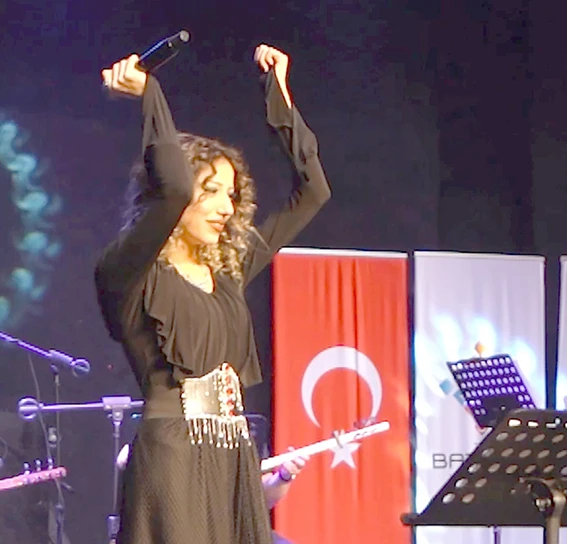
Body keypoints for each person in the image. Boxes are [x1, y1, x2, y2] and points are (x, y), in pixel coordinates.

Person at [95, 43, 330, 544]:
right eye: (212, 190)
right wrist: (150, 94)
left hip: (233, 458)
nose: (226, 206)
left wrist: (279, 96)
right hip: (172, 460)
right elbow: (174, 189)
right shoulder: (130, 273)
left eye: (231, 193)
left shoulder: (228, 273)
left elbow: (313, 191)